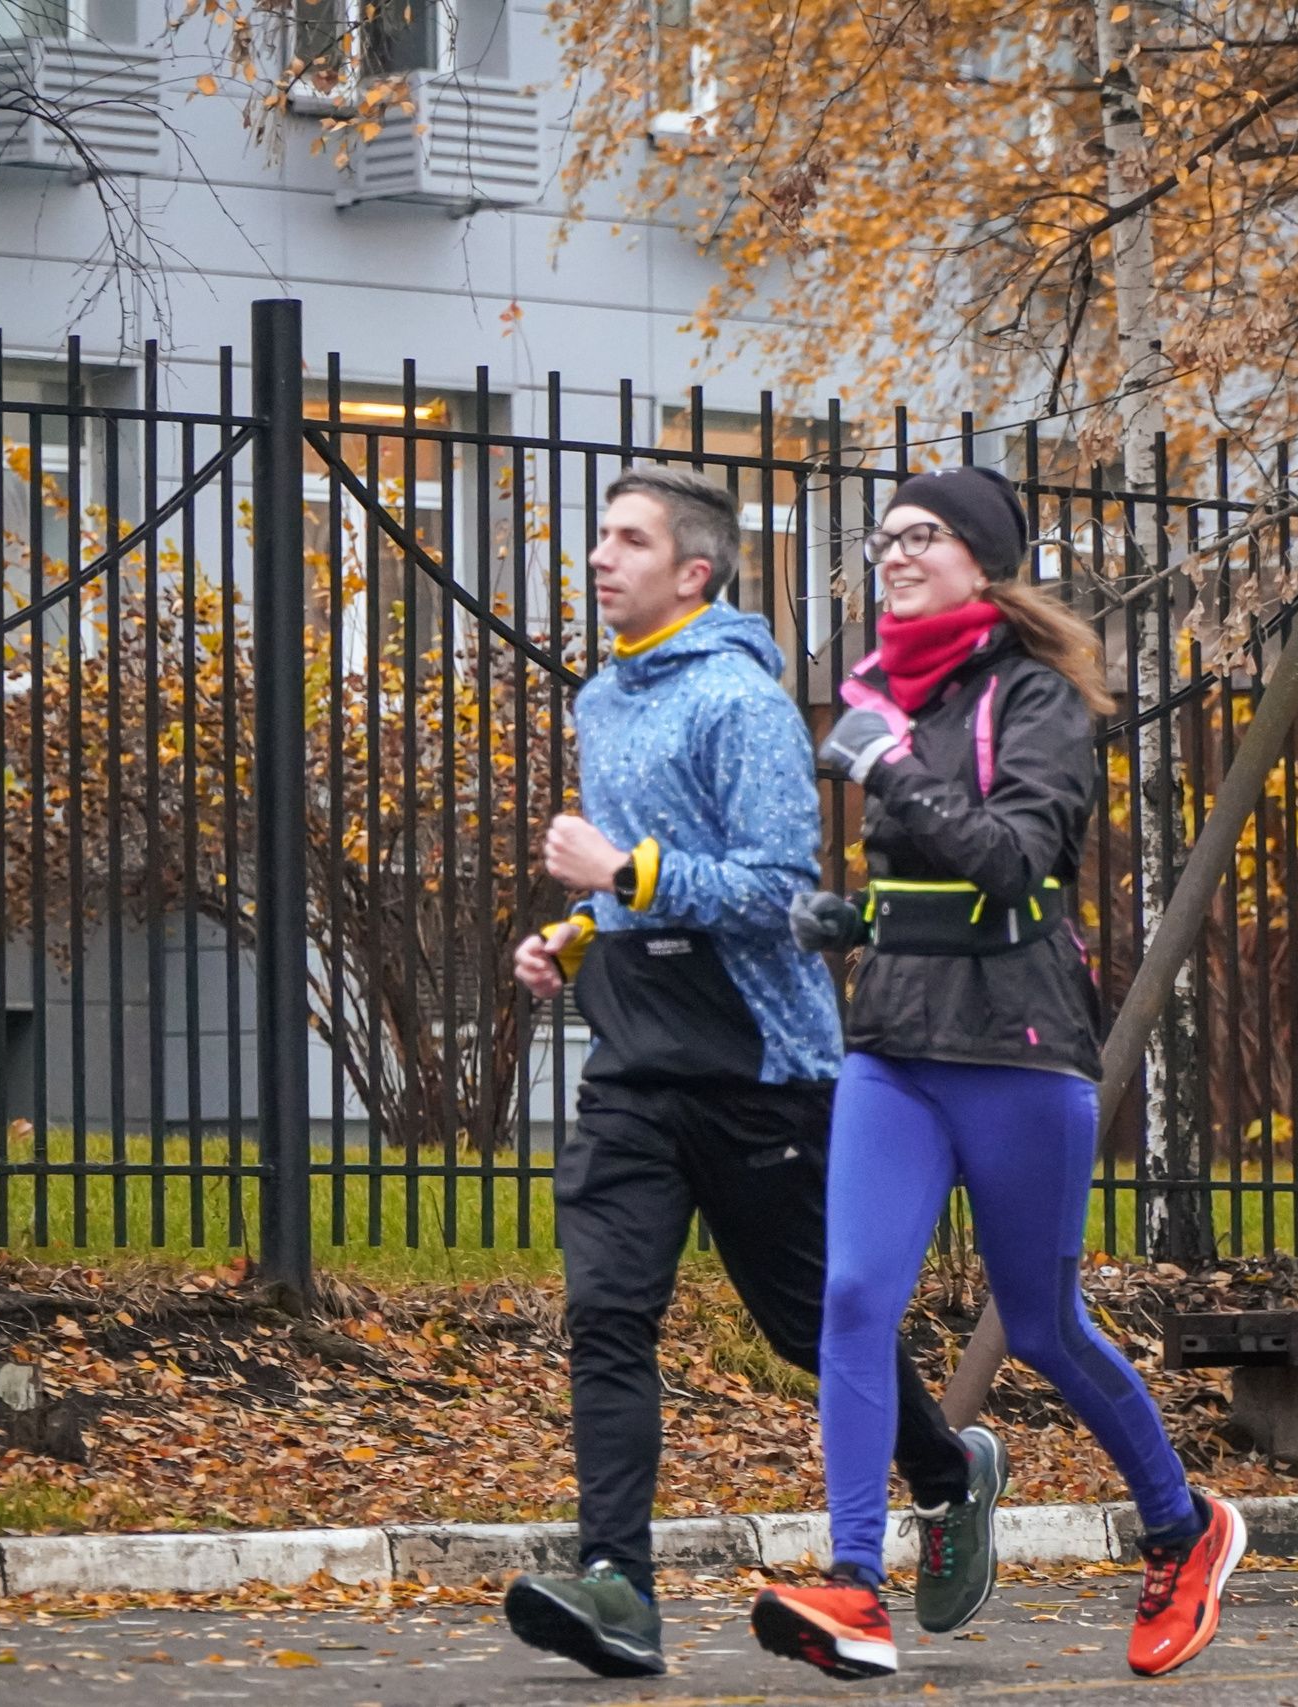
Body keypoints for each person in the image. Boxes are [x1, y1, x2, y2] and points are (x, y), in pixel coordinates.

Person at [502, 465, 1006, 1679]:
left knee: (808, 1325)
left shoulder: (742, 703)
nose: (599, 557)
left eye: (629, 540)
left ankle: (946, 1475)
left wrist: (620, 873)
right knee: (606, 1315)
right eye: (600, 536)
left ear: (694, 572)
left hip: (759, 1068)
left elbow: (780, 891)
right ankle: (618, 1584)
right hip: (635, 1065)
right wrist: (575, 935)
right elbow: (635, 889)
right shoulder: (601, 699)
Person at [749, 466, 1247, 1682]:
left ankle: (1181, 1529)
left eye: (922, 535)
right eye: (885, 537)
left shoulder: (1038, 700)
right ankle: (855, 1586)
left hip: (1019, 1050)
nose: (895, 552)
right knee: (851, 1298)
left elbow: (1015, 864)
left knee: (1040, 1326)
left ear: (981, 560)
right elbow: (933, 875)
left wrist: (886, 767)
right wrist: (857, 919)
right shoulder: (891, 696)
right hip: (895, 1049)